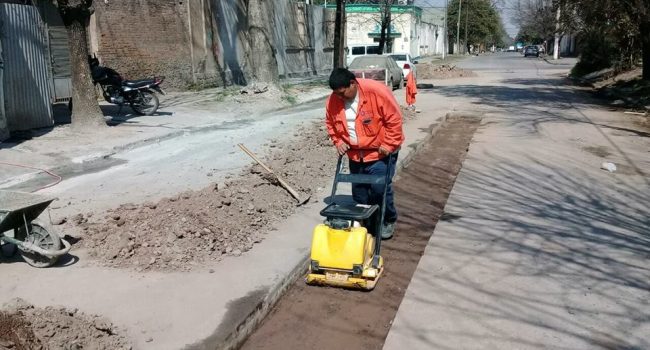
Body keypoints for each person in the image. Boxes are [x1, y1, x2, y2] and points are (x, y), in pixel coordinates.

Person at [325, 68, 404, 239]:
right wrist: (338, 142)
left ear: (352, 84)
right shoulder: (334, 100)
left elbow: (394, 120)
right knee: (359, 193)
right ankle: (368, 220)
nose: (339, 98)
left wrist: (389, 144)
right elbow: (330, 124)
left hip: (380, 153)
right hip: (355, 155)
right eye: (336, 94)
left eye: (342, 93)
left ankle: (387, 219)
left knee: (379, 189)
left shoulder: (376, 92)